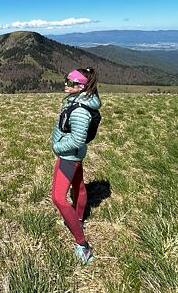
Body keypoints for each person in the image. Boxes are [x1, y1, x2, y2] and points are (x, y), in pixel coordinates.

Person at [51, 67, 101, 265]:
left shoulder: (80, 110)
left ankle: (82, 245)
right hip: (75, 157)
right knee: (79, 186)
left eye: (71, 82)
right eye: (66, 80)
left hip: (69, 156)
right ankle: (78, 218)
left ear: (81, 86)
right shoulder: (81, 100)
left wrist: (57, 146)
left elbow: (78, 139)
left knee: (58, 198)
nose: (66, 84)